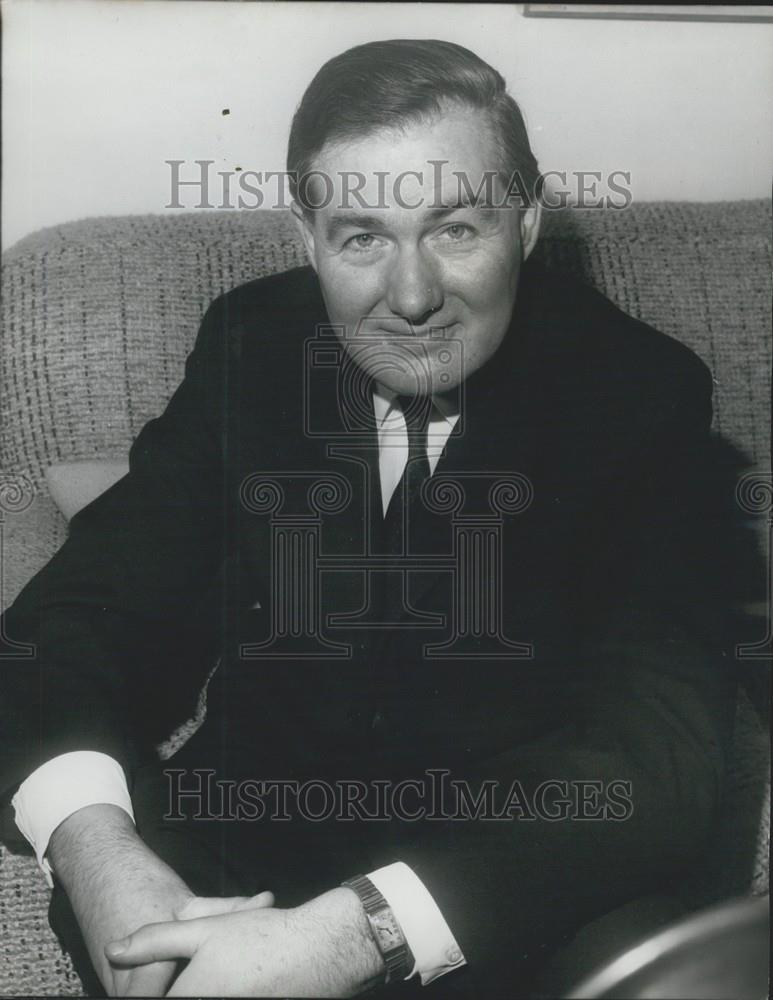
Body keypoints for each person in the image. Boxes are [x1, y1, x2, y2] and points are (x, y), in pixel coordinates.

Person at [0, 39, 739, 998]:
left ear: (525, 220)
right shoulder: (252, 347)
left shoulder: (639, 394)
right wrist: (100, 857)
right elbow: (78, 617)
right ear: (305, 239)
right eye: (361, 236)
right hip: (254, 846)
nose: (414, 295)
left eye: (455, 228)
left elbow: (659, 758)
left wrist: (357, 935)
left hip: (512, 885)